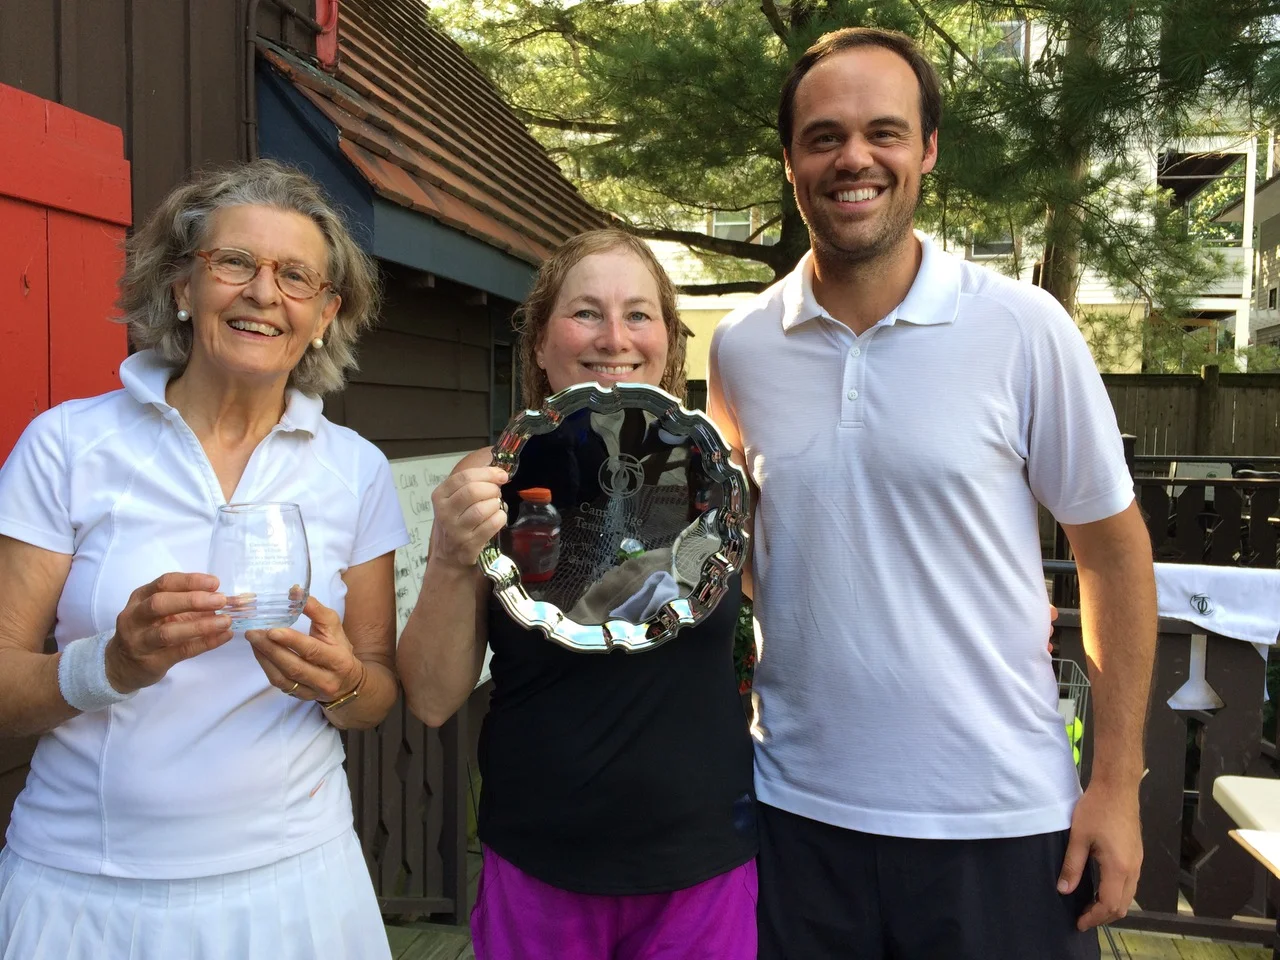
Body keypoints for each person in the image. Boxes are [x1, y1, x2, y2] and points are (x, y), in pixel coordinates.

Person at [707, 27, 1158, 960]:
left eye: (885, 131)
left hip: (1002, 824)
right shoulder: (740, 347)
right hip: (796, 819)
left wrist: (1115, 784)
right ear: (789, 160)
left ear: (928, 150)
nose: (854, 158)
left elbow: (1114, 555)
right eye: (824, 136)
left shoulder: (1023, 327)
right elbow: (744, 552)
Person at [0, 160, 409, 959]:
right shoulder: (69, 445)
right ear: (182, 285)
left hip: (294, 889)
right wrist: (111, 664)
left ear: (325, 313)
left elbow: (376, 692)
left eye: (295, 276)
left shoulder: (355, 470)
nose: (263, 293)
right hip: (84, 890)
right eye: (235, 263)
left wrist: (344, 683)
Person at [397, 229, 757, 960]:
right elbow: (432, 698)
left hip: (703, 859)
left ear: (667, 338)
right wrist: (450, 556)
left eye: (638, 314)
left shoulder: (719, 477)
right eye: (586, 312)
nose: (614, 337)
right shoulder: (488, 481)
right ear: (538, 341)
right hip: (541, 861)